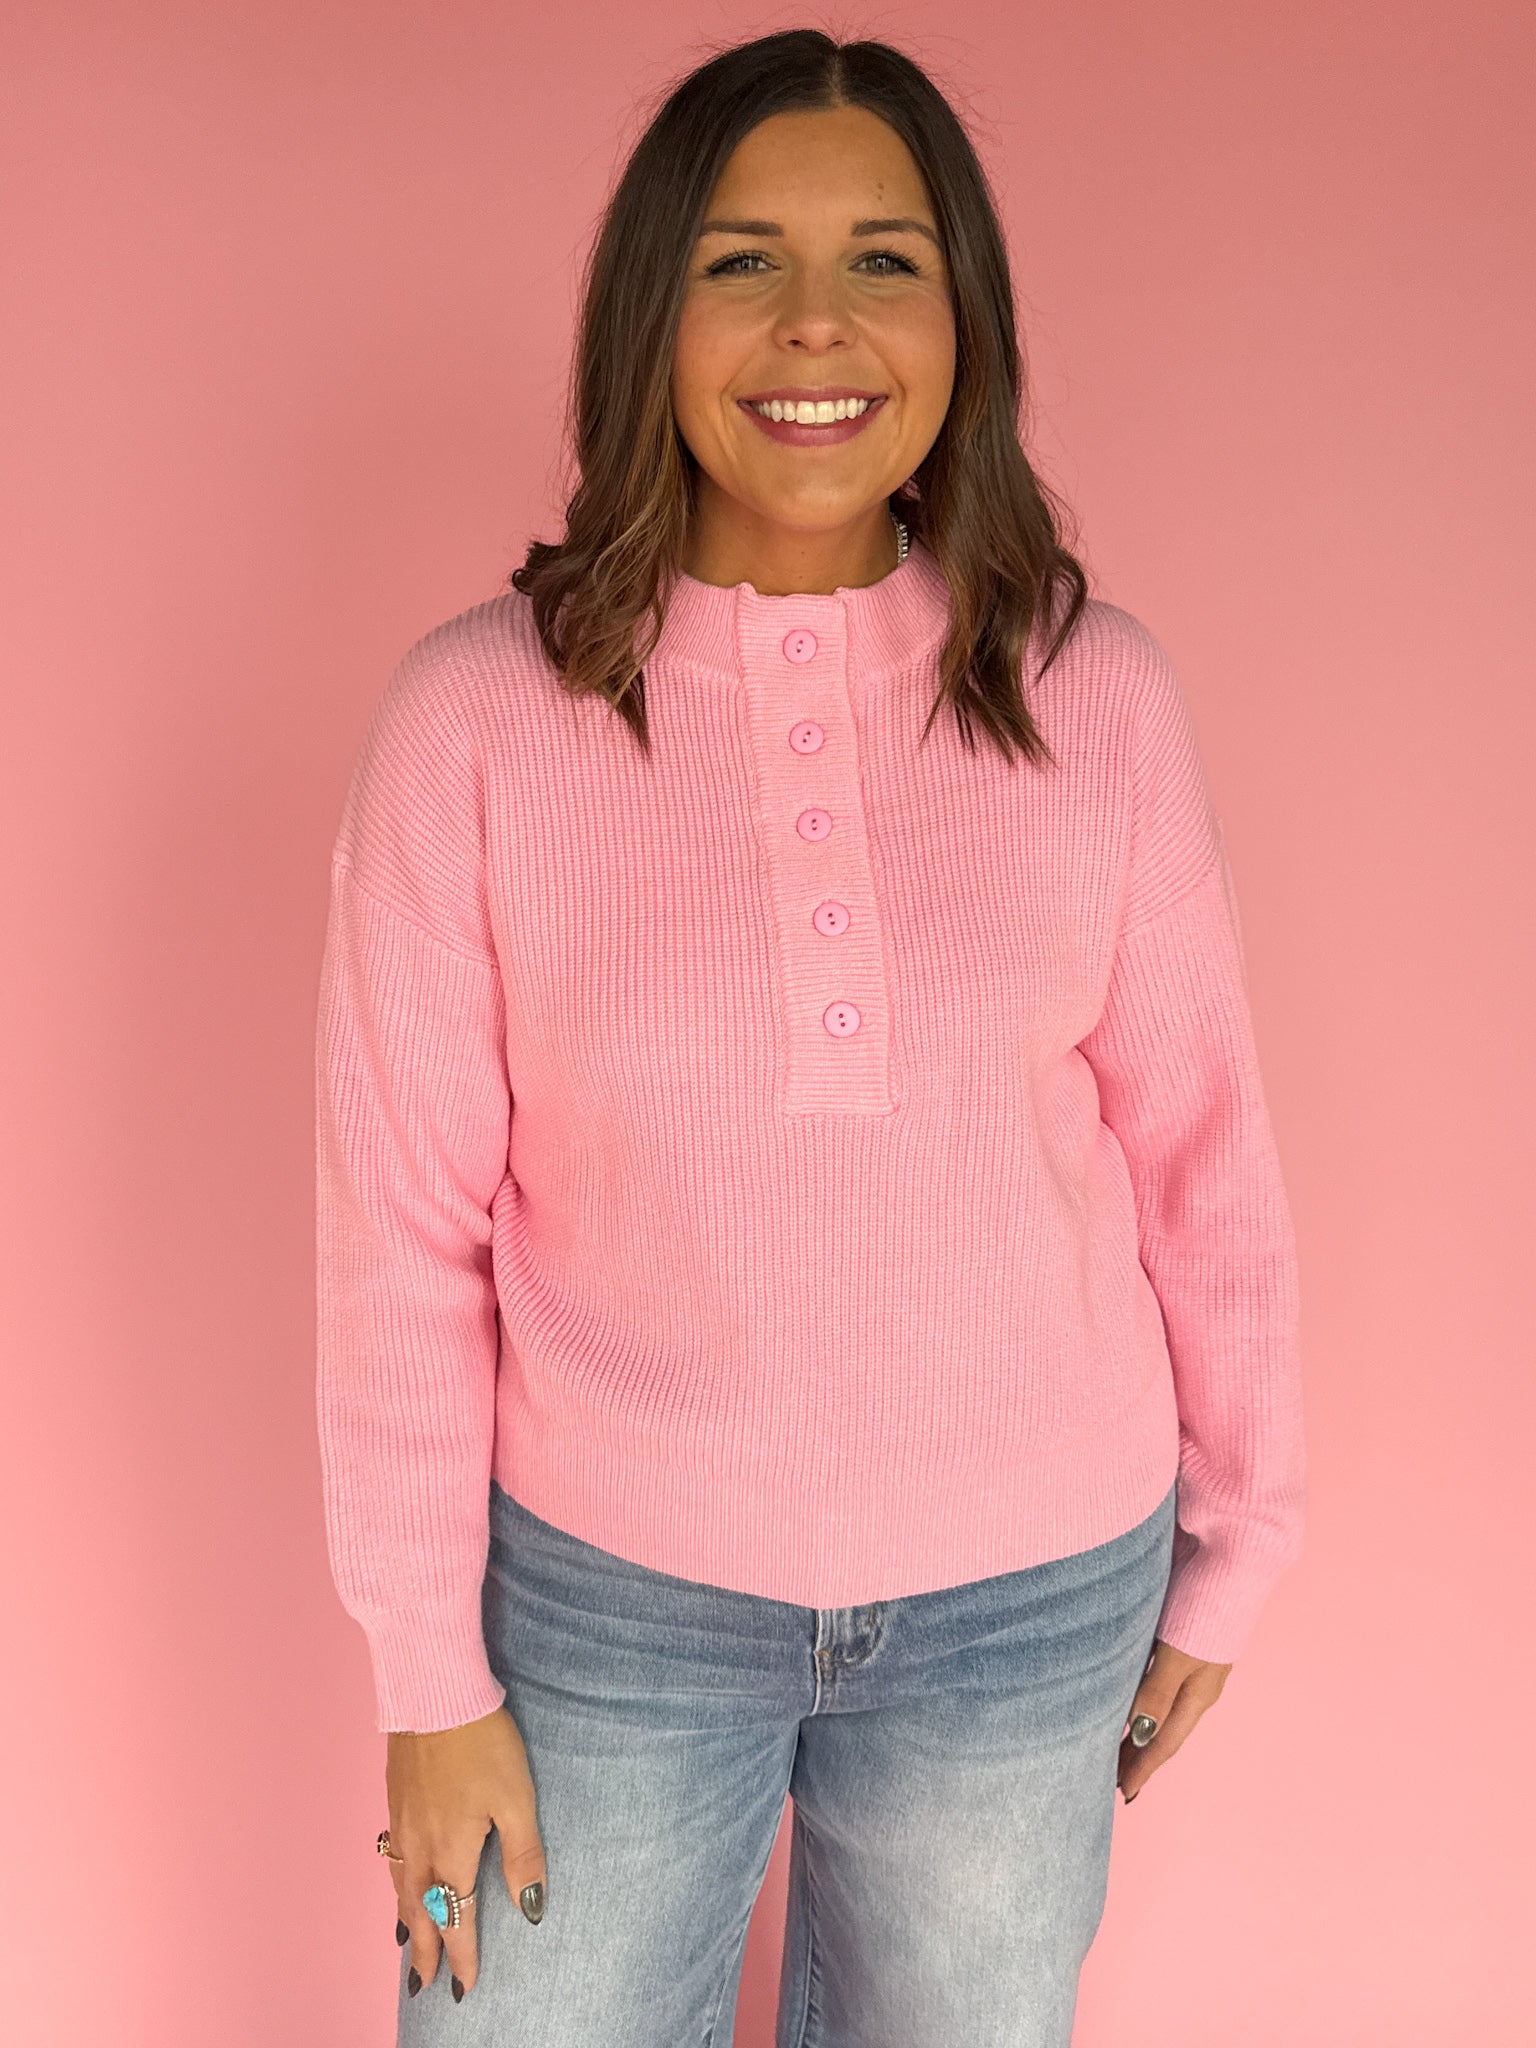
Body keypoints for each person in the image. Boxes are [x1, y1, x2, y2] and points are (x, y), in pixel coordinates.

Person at [314, 28, 1307, 2047]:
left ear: (965, 322)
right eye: (743, 259)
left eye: (886, 259)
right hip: (608, 1603)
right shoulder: (475, 721)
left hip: (1030, 1604)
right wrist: (428, 1673)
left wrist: (1243, 1534)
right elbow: (399, 1230)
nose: (817, 323)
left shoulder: (1096, 699)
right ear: (650, 315)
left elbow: (1204, 1150)